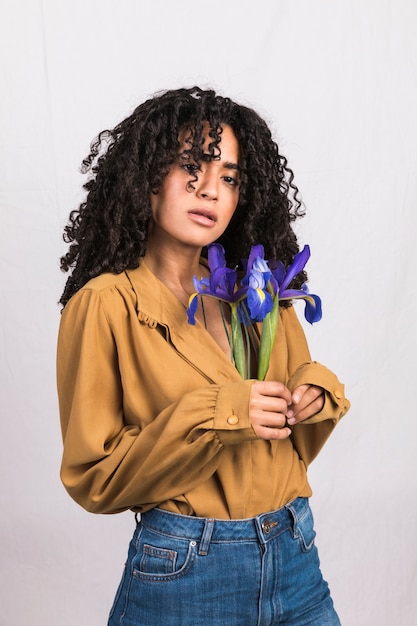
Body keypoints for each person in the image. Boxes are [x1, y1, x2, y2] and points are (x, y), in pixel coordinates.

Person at [57, 86, 350, 625]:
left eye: (230, 177)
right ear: (145, 178)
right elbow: (94, 476)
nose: (211, 190)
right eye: (190, 166)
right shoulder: (105, 306)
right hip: (187, 575)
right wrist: (223, 414)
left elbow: (292, 443)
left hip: (294, 556)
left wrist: (312, 394)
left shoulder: (257, 290)